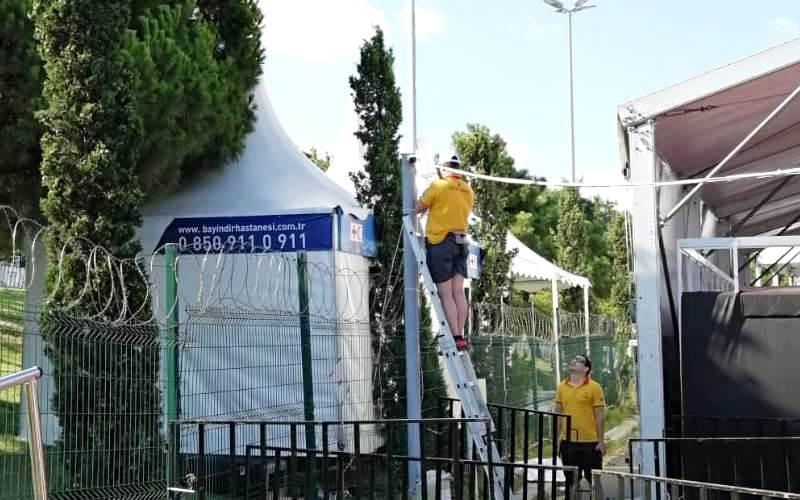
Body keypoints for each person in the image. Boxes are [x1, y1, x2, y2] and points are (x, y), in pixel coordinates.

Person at [415, 152, 474, 350]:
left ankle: (455, 336)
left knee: (446, 294)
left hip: (441, 242)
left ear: (442, 168)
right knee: (458, 293)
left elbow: (417, 208)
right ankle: (461, 336)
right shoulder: (468, 190)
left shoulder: (438, 186)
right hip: (461, 241)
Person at [555, 354, 606, 492]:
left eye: (579, 361)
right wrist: (556, 440)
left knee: (594, 480)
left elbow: (599, 416)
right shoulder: (561, 387)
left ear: (586, 368)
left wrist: (601, 441)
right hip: (568, 442)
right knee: (571, 482)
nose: (574, 361)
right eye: (573, 359)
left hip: (590, 443)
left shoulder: (594, 387)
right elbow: (558, 415)